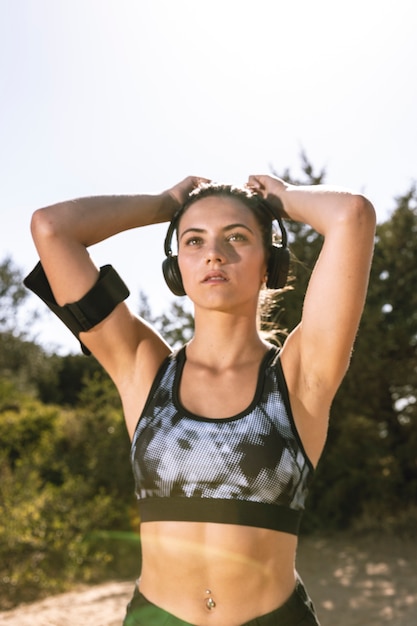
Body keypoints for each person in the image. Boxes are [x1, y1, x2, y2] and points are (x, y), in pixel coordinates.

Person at [25, 173, 376, 626]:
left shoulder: (300, 376)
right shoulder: (142, 367)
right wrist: (163, 203)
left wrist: (282, 199)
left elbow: (353, 216)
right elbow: (51, 228)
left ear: (270, 262)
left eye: (237, 237)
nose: (214, 253)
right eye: (194, 240)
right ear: (176, 269)